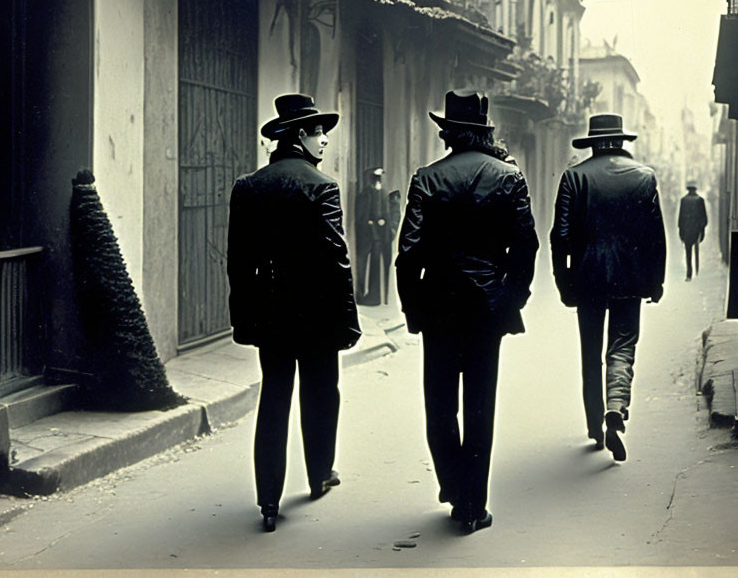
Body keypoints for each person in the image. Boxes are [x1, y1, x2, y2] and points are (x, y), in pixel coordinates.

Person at [396, 89, 539, 533]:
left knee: (439, 405)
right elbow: (526, 245)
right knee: (480, 405)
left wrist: (412, 309)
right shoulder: (509, 177)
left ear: (448, 135)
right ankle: (473, 505)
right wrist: (511, 297)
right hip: (487, 307)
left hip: (438, 306)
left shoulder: (426, 178)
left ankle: (453, 484)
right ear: (484, 131)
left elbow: (407, 254)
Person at [227, 93, 361, 532]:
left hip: (271, 312)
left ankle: (268, 499)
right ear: (300, 135)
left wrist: (244, 317)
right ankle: (320, 473)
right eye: (320, 132)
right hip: (318, 312)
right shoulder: (322, 186)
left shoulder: (248, 185)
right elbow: (336, 259)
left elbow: (238, 261)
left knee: (275, 396)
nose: (325, 141)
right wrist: (347, 318)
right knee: (322, 392)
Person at [550, 113, 665, 463]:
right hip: (631, 279)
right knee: (623, 346)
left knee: (591, 353)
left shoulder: (574, 177)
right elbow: (655, 237)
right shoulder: (644, 178)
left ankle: (594, 427)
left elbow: (561, 237)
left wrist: (563, 283)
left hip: (587, 279)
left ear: (593, 143)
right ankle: (616, 407)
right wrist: (655, 280)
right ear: (621, 141)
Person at [354, 167, 394, 305]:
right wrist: (369, 222)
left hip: (378, 236)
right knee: (362, 265)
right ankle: (361, 295)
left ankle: (374, 297)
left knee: (376, 265)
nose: (379, 181)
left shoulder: (382, 193)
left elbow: (385, 213)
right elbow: (361, 215)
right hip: (366, 235)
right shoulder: (365, 194)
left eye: (380, 178)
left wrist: (383, 223)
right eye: (376, 178)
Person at [678, 181, 708, 281]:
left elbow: (681, 218)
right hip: (696, 229)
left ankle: (689, 273)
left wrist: (681, 231)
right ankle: (696, 271)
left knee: (688, 252)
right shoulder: (700, 200)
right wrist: (702, 229)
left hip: (687, 230)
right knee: (696, 249)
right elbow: (704, 217)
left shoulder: (683, 200)